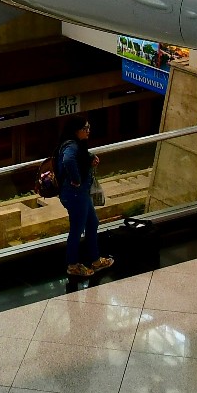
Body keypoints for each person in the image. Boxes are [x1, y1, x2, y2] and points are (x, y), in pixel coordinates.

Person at [56, 119, 113, 278]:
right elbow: (68, 159)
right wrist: (76, 179)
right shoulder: (71, 145)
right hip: (74, 194)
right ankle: (73, 265)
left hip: (80, 193)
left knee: (92, 222)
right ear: (76, 130)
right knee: (77, 229)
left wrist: (91, 157)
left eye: (89, 127)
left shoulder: (77, 145)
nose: (88, 130)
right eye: (84, 128)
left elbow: (80, 156)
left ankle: (95, 260)